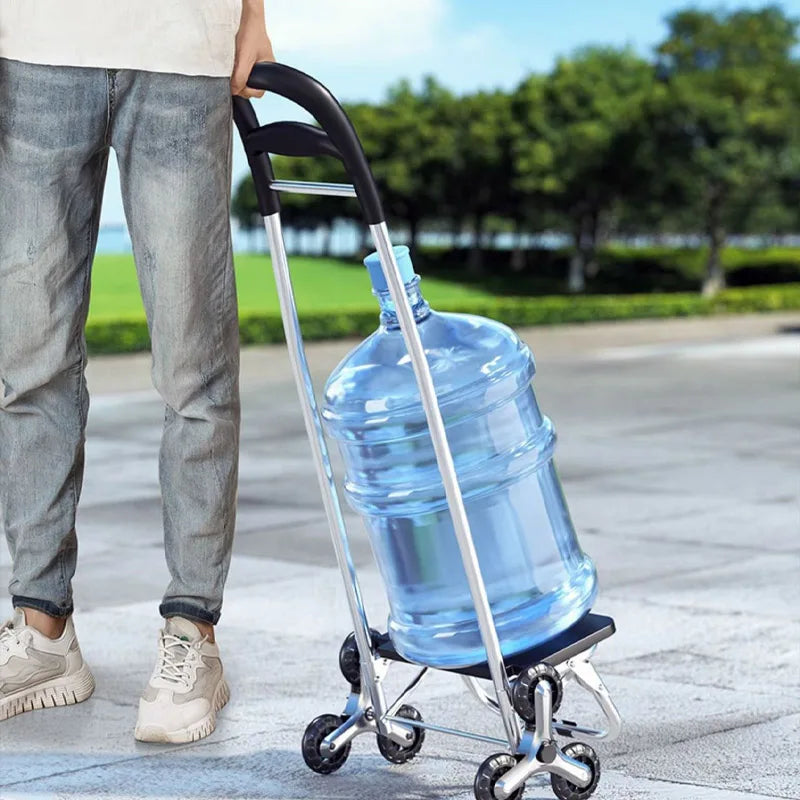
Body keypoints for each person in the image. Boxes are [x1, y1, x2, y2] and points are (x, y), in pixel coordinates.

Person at [0, 0, 274, 742]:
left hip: (182, 44)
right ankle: (43, 635)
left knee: (195, 368)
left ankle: (193, 634)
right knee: (29, 361)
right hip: (35, 41)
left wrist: (252, 13)